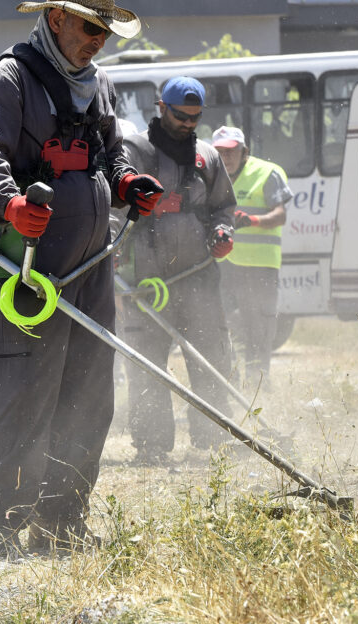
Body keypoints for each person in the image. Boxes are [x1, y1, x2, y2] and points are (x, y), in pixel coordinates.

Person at [0, 0, 163, 558]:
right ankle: (3, 523)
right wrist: (9, 201)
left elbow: (110, 152)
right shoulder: (11, 79)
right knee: (22, 391)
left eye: (105, 29)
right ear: (55, 18)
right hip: (26, 267)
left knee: (88, 393)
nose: (99, 38)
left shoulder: (98, 85)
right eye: (89, 25)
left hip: (92, 262)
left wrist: (127, 182)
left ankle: (62, 519)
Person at [118, 77, 237, 464]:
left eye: (195, 117)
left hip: (199, 276)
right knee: (148, 364)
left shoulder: (207, 156)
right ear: (160, 107)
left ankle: (213, 440)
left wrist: (223, 229)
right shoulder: (134, 151)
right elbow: (111, 207)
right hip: (147, 282)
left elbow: (223, 206)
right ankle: (151, 446)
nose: (188, 123)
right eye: (181, 115)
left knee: (210, 356)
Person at [212, 125, 293, 390]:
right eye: (221, 151)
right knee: (226, 326)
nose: (226, 157)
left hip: (260, 266)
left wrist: (253, 220)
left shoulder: (267, 173)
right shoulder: (211, 175)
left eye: (231, 151)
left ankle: (260, 384)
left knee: (259, 326)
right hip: (224, 265)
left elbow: (280, 215)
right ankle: (231, 384)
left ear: (244, 151)